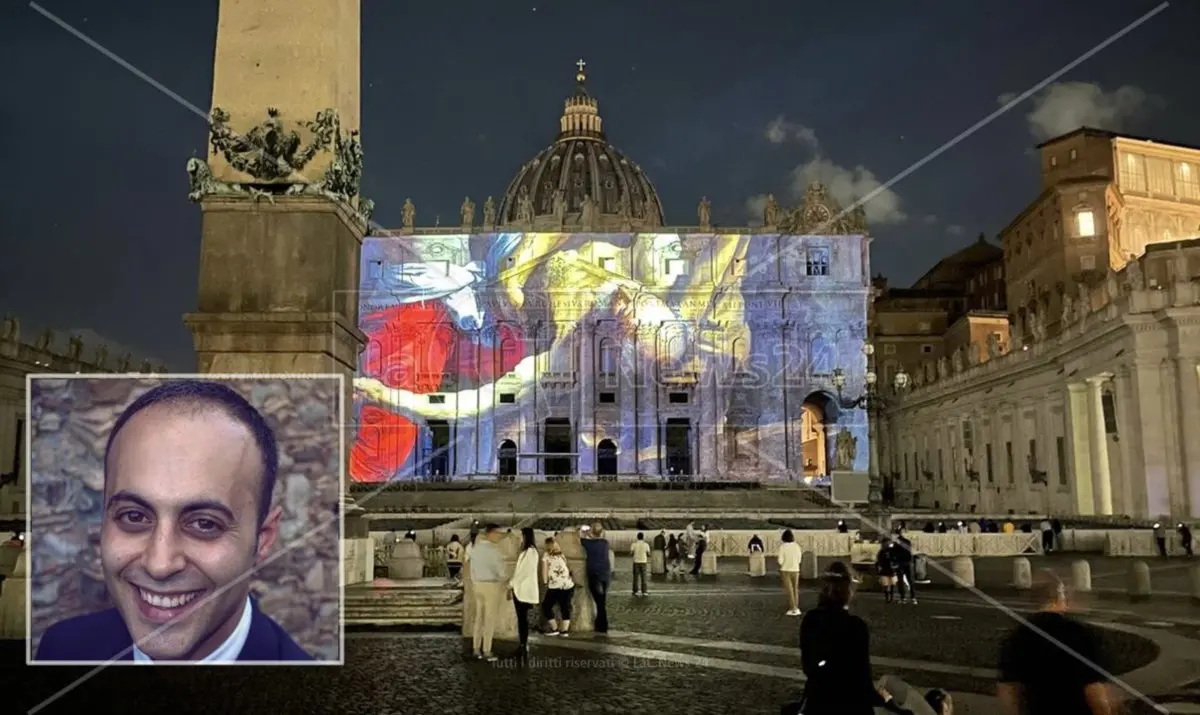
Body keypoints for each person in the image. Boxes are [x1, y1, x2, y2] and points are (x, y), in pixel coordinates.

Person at [34, 380, 312, 663]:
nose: (159, 564)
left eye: (204, 524)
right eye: (134, 516)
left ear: (262, 539)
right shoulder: (62, 649)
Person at [795, 562, 914, 715]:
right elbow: (861, 678)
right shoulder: (855, 626)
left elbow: (809, 667)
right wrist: (886, 700)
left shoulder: (810, 620)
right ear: (850, 591)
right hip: (851, 705)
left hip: (817, 701)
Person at [998, 569, 1117, 715]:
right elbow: (1095, 694)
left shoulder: (1016, 637)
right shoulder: (1078, 634)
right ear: (1061, 597)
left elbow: (1009, 693)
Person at [468, 524, 507, 661]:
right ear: (490, 533)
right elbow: (499, 570)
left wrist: (474, 582)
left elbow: (471, 568)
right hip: (491, 585)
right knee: (489, 619)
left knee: (479, 618)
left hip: (477, 584)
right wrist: (505, 579)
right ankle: (487, 650)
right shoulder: (493, 550)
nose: (498, 536)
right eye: (497, 533)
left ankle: (476, 648)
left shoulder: (475, 549)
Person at [509, 527, 540, 658]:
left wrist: (510, 583)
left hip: (523, 590)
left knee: (522, 619)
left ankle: (523, 645)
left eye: (521, 535)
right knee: (522, 619)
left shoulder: (529, 552)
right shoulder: (529, 552)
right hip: (522, 588)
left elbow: (523, 572)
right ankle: (522, 644)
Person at [580, 523, 612, 633]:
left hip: (594, 574)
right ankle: (602, 623)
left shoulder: (587, 543)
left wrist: (585, 533)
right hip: (606, 574)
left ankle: (602, 624)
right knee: (602, 600)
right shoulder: (605, 543)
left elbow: (580, 540)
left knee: (599, 601)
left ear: (591, 531)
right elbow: (598, 538)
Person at [541, 538, 574, 636]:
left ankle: (554, 628)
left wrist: (545, 582)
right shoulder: (562, 555)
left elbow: (544, 571)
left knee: (546, 606)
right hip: (567, 584)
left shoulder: (546, 556)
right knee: (565, 606)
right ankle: (564, 631)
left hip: (555, 585)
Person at [777, 529, 803, 616]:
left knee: (789, 590)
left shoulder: (783, 547)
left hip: (785, 570)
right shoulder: (797, 546)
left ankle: (792, 608)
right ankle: (796, 607)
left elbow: (780, 561)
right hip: (796, 569)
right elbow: (799, 559)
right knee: (795, 589)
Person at [893, 529, 917, 605]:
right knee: (910, 581)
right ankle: (913, 597)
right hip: (907, 563)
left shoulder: (895, 544)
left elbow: (894, 554)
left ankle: (903, 598)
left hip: (900, 563)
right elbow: (909, 552)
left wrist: (894, 562)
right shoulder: (907, 541)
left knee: (900, 581)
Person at [876, 538, 899, 604]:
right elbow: (879, 560)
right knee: (887, 585)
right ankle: (888, 598)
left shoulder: (885, 551)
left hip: (889, 570)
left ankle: (890, 598)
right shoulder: (882, 551)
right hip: (886, 570)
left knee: (891, 585)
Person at [631, 532, 651, 596]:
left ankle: (635, 591)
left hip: (636, 562)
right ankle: (644, 591)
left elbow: (631, 553)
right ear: (643, 537)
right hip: (643, 562)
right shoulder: (646, 545)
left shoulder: (633, 544)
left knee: (635, 577)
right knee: (644, 577)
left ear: (637, 537)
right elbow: (648, 554)